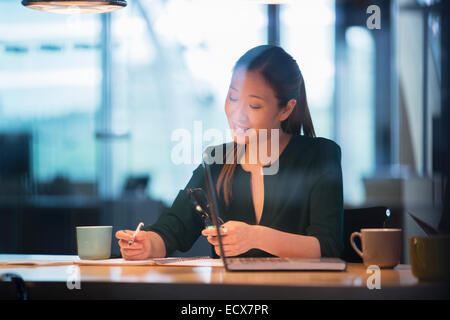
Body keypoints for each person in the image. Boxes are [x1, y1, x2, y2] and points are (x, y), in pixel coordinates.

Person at [116, 45, 344, 260]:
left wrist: (256, 237)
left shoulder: (320, 155)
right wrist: (147, 244)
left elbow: (329, 246)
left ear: (286, 109)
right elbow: (172, 229)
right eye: (233, 98)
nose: (238, 114)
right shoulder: (216, 161)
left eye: (254, 106)